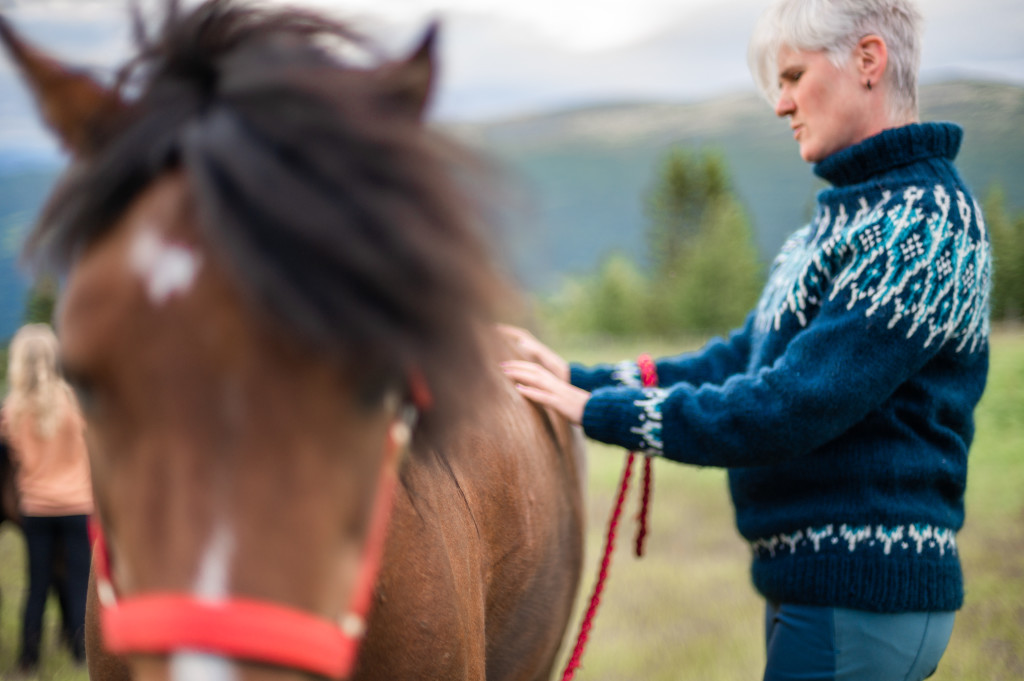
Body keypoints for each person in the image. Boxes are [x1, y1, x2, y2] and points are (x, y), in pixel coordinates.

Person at [501, 0, 991, 679]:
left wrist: (600, 414)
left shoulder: (920, 226)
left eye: (793, 76)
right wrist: (579, 379)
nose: (780, 104)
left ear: (869, 60)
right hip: (822, 587)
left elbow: (789, 406)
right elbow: (739, 360)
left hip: (859, 594)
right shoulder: (842, 221)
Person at [1, 323, 93, 675]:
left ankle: (28, 657)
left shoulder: (13, 411)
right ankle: (80, 650)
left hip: (36, 510)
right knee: (78, 582)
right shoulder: (76, 403)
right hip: (76, 506)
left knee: (36, 584)